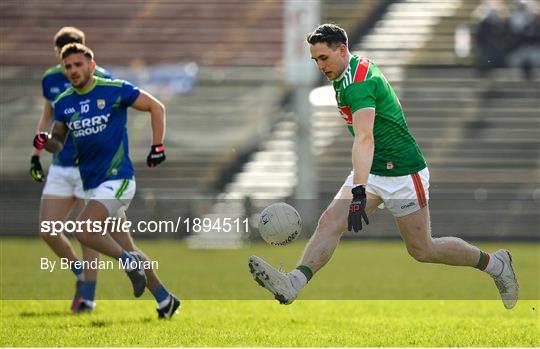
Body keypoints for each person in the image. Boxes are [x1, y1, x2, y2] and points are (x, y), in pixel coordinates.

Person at [248, 24, 519, 309]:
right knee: (330, 221)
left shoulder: (357, 83)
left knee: (423, 249)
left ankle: (496, 265)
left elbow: (365, 138)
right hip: (375, 168)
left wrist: (359, 191)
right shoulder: (346, 73)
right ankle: (293, 283)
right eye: (315, 60)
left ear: (342, 50)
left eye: (324, 58)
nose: (320, 66)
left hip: (403, 172)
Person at [33, 43, 180, 319]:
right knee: (127, 245)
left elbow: (156, 107)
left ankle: (128, 263)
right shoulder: (64, 102)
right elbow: (58, 143)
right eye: (68, 67)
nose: (73, 70)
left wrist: (157, 146)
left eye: (78, 65)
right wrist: (44, 142)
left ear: (91, 65)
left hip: (118, 179)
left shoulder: (113, 89)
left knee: (84, 229)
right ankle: (165, 299)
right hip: (93, 186)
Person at [30, 27, 112, 313]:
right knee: (48, 230)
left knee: (88, 233)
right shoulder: (51, 79)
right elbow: (47, 115)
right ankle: (80, 274)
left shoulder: (103, 78)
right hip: (62, 165)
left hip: (91, 168)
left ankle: (88, 297)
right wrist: (35, 153)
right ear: (58, 54)